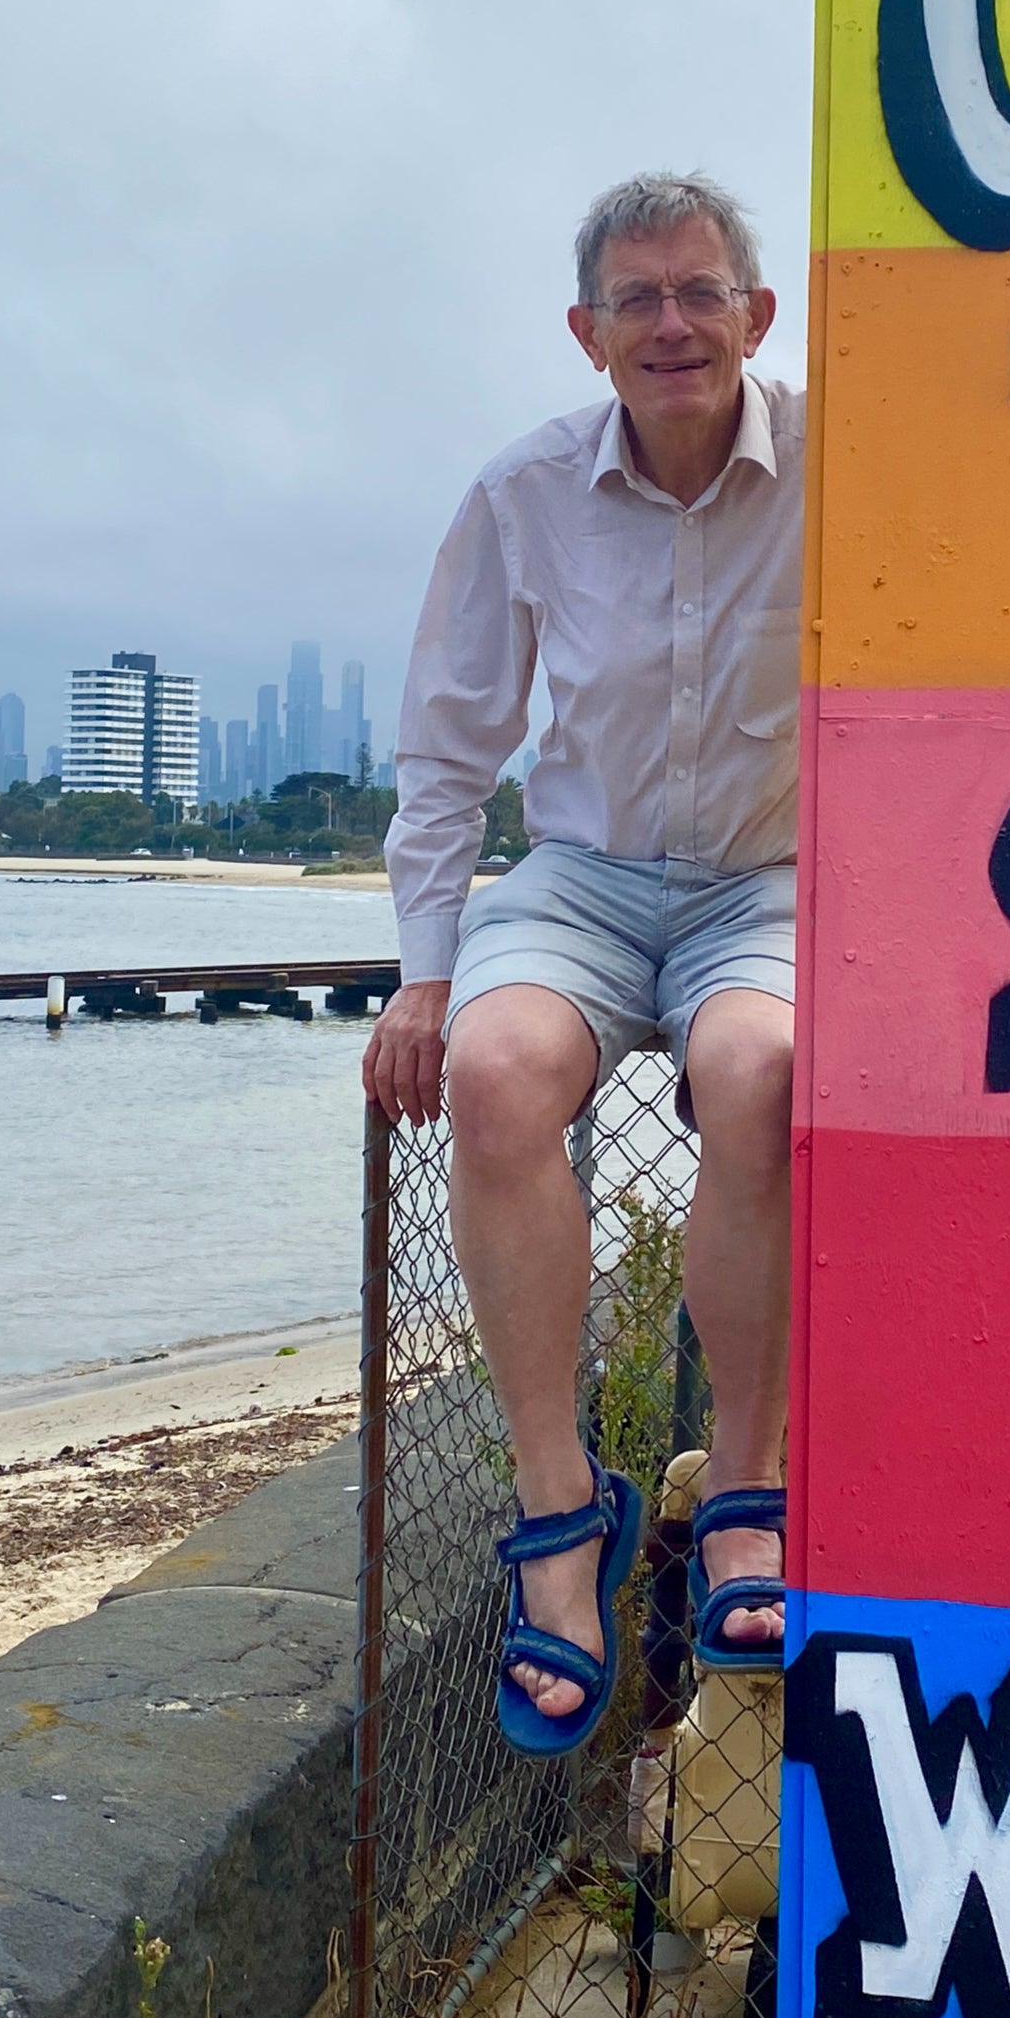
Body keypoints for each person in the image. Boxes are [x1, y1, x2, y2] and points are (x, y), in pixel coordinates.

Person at [363, 171, 799, 1755]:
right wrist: (425, 966)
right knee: (488, 1074)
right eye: (637, 299)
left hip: (775, 878)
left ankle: (746, 1492)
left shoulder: (845, 465)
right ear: (587, 330)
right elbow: (450, 740)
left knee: (760, 1075)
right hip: (587, 879)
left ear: (758, 312)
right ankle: (566, 1512)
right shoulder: (523, 490)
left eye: (700, 292)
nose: (672, 324)